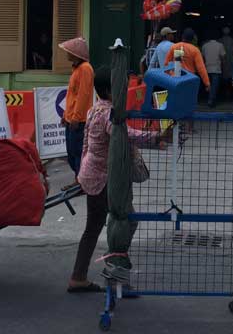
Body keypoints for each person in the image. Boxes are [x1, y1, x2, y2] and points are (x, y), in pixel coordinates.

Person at [68, 66, 164, 293]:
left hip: (92, 175)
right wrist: (156, 136)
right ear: (110, 91)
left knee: (94, 228)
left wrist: (81, 174)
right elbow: (125, 133)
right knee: (125, 221)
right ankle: (115, 272)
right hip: (102, 179)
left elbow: (85, 144)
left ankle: (79, 276)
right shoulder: (109, 113)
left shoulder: (94, 110)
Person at [60, 37, 93, 177]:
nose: (67, 53)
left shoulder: (85, 69)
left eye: (69, 51)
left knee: (77, 151)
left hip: (78, 120)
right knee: (71, 152)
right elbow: (72, 96)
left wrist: (76, 117)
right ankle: (78, 178)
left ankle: (80, 180)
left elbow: (83, 96)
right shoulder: (77, 69)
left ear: (76, 53)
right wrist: (65, 115)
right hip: (71, 118)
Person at [164, 28, 210, 92]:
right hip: (189, 79)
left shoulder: (175, 47)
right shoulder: (195, 50)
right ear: (193, 38)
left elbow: (166, 63)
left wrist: (167, 78)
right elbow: (201, 68)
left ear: (182, 36)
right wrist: (207, 83)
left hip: (175, 79)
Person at [201, 34, 226, 108]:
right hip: (216, 69)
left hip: (207, 69)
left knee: (208, 86)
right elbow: (223, 57)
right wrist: (224, 67)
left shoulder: (204, 46)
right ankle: (211, 100)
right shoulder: (220, 45)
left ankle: (209, 99)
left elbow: (202, 58)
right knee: (214, 86)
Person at [219, 26, 233, 98]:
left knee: (223, 78)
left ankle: (224, 92)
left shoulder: (219, 41)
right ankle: (229, 92)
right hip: (231, 62)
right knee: (230, 78)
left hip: (222, 63)